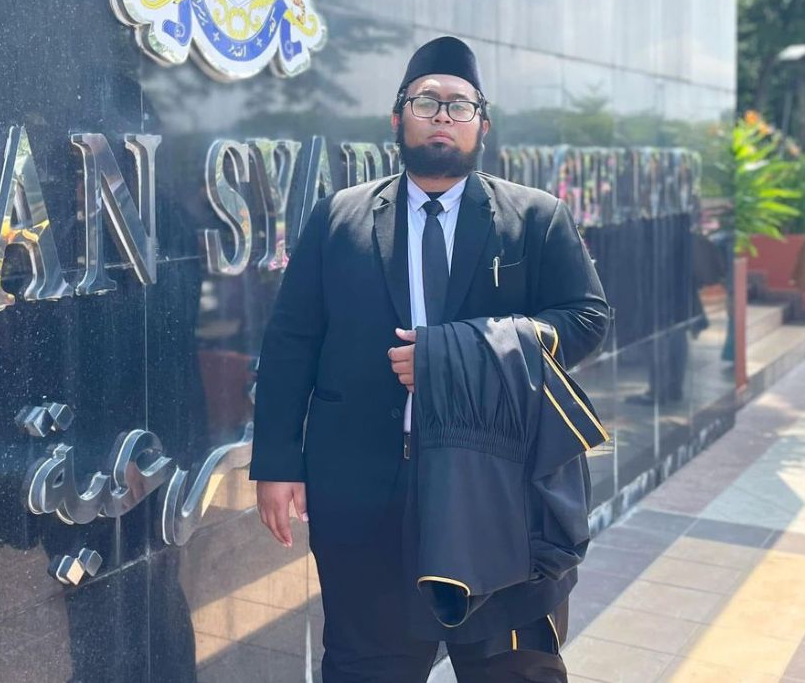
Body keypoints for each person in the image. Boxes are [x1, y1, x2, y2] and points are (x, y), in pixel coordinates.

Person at [249, 36, 609, 682]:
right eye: (426, 102)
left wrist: (455, 357)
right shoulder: (338, 219)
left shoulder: (535, 219)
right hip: (365, 489)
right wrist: (276, 462)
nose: (443, 116)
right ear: (398, 118)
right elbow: (290, 343)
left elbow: (586, 319)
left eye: (460, 105)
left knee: (511, 668)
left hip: (497, 488)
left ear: (482, 125)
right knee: (366, 667)